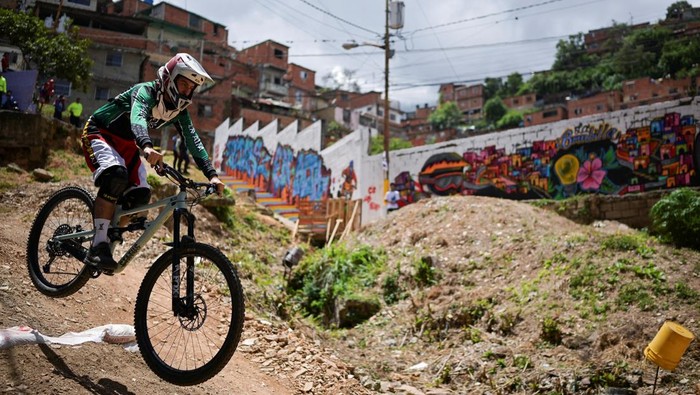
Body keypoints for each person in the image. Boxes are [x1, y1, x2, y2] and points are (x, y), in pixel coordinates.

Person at [81, 53, 225, 271]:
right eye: (183, 83)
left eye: (191, 87)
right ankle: (98, 245)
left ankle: (112, 234)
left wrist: (212, 175)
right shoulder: (146, 91)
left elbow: (193, 140)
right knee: (116, 176)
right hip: (100, 133)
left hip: (128, 145)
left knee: (140, 196)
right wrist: (147, 146)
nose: (186, 91)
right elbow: (137, 117)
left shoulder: (179, 111)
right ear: (169, 78)